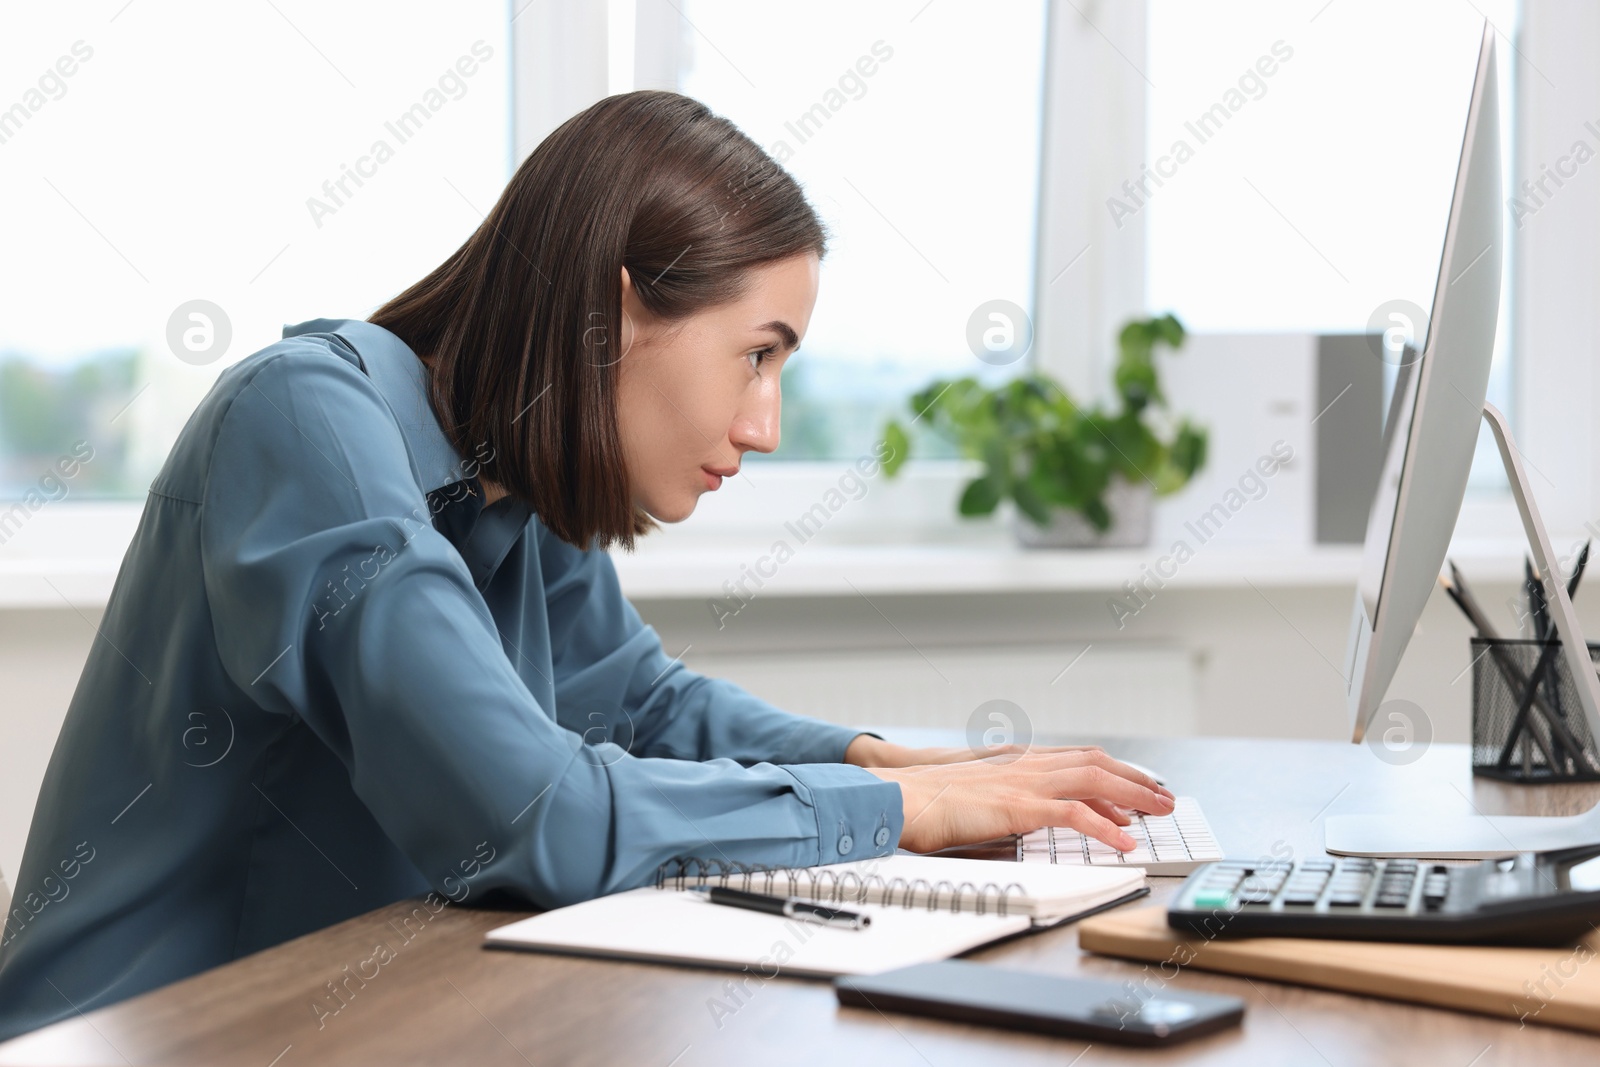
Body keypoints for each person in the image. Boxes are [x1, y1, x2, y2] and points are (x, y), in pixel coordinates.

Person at [0, 90, 1171, 1039]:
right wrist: (897, 807)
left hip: (347, 1010)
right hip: (152, 1034)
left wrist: (886, 758)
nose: (765, 424)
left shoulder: (516, 476)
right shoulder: (305, 422)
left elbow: (644, 706)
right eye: (756, 356)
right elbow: (532, 815)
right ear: (615, 316)